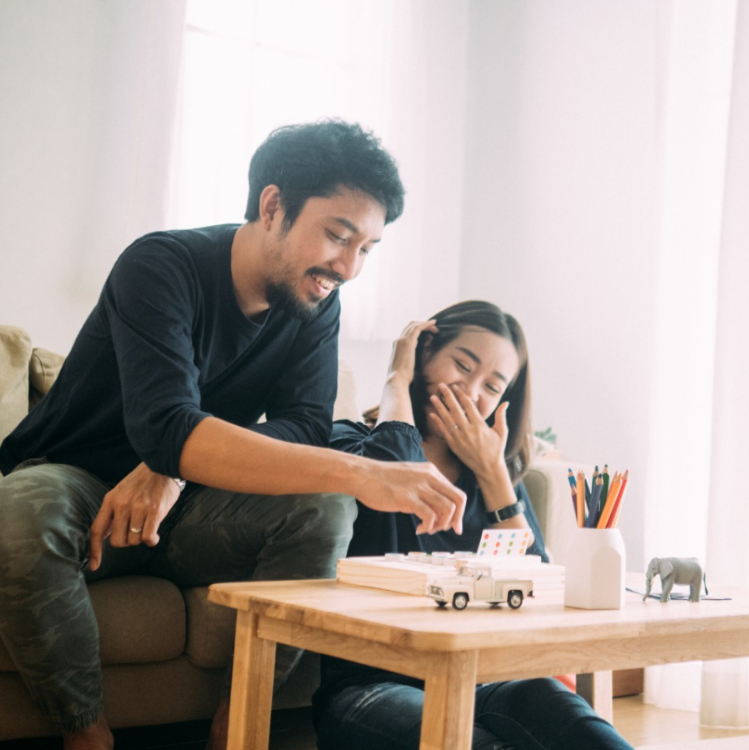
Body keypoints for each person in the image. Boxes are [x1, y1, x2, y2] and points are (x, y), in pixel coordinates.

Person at [0, 120, 466, 750]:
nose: (350, 267)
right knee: (19, 512)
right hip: (77, 483)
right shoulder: (160, 265)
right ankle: (86, 735)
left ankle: (237, 727)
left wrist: (174, 464)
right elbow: (166, 422)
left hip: (194, 511)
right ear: (273, 206)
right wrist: (364, 472)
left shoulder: (315, 304)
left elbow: (304, 424)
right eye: (338, 235)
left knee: (322, 509)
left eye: (368, 248)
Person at [312, 300, 635, 750]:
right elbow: (395, 473)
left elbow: (539, 589)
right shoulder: (350, 445)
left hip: (486, 680)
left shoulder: (492, 480)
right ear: (423, 355)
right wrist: (396, 381)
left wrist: (495, 475)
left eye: (492, 386)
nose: (471, 391)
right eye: (462, 366)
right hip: (372, 688)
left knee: (585, 731)